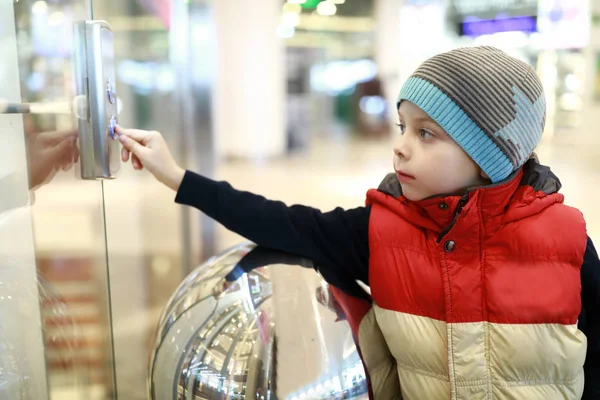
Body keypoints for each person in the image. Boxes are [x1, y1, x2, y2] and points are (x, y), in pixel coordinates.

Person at [116, 46, 600, 399]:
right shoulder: (382, 233)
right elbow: (280, 222)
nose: (401, 146)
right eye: (403, 127)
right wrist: (177, 176)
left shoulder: (565, 243)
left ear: (488, 156)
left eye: (427, 134)